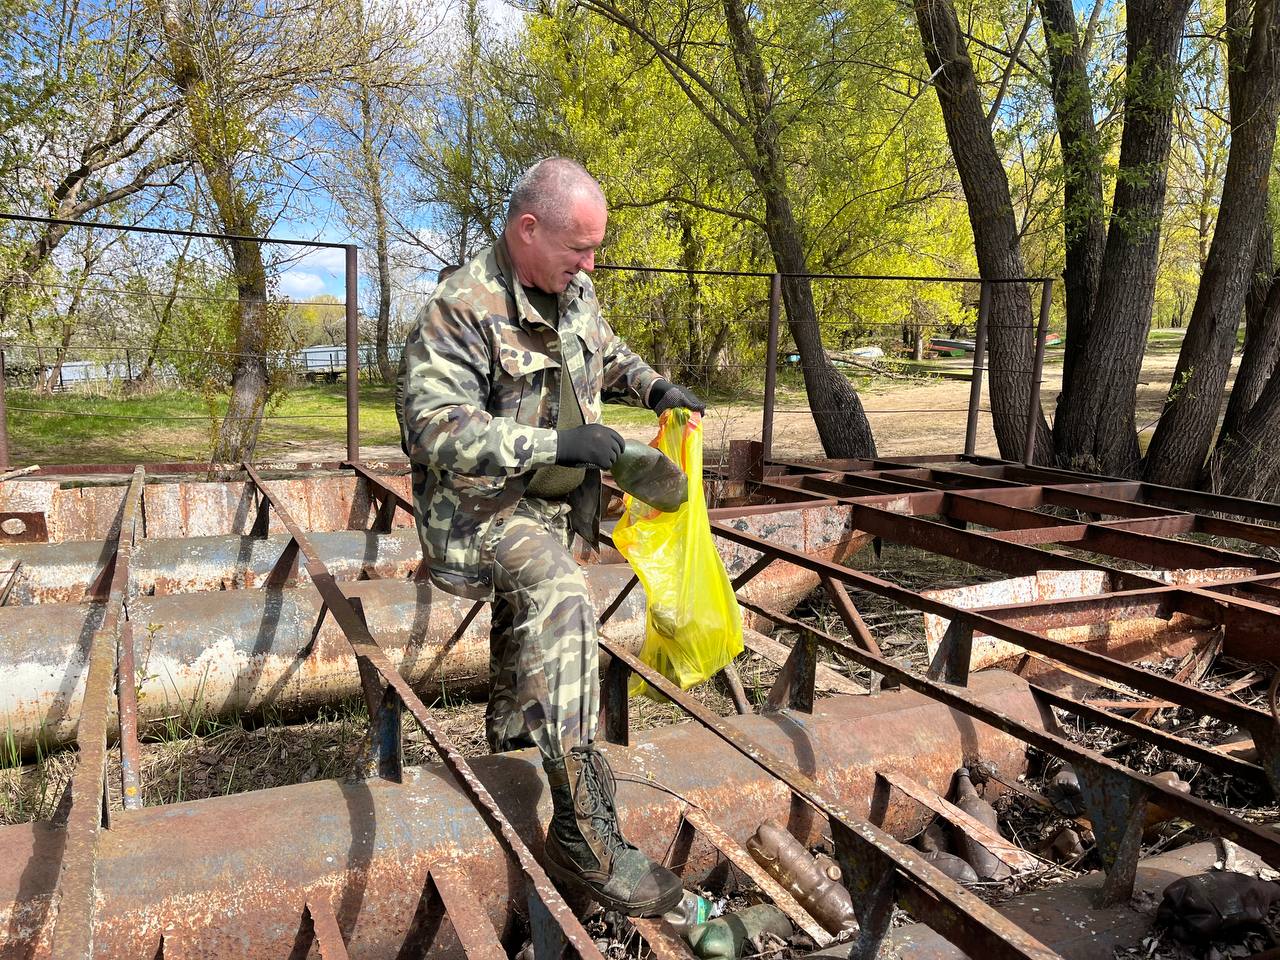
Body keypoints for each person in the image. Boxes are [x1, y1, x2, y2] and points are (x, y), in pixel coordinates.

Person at [399, 157, 704, 917]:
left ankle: (511, 761)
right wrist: (556, 447)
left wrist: (654, 387)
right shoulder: (459, 306)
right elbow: (433, 429)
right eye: (579, 248)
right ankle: (583, 836)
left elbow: (606, 346)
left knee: (528, 633)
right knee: (563, 598)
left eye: (594, 250)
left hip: (554, 508)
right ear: (526, 229)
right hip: (478, 510)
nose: (589, 264)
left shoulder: (573, 287)